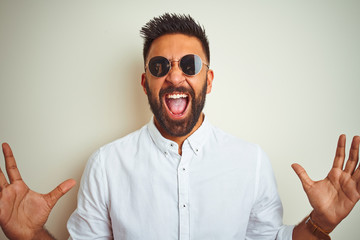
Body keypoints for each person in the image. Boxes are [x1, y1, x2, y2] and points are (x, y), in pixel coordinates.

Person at [0, 13, 359, 240]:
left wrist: (321, 224)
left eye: (189, 65)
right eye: (159, 67)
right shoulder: (107, 164)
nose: (174, 76)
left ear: (209, 79)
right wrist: (29, 236)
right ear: (145, 83)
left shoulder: (250, 162)